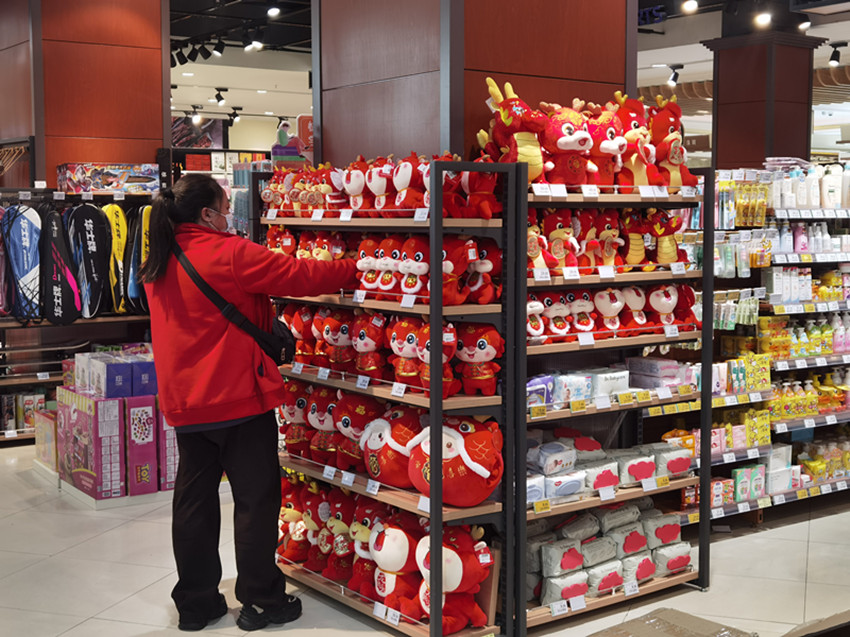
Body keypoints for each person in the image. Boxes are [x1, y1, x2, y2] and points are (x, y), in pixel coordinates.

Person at [140, 174, 358, 632]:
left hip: (186, 402)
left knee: (194, 502)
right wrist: (355, 266)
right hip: (237, 397)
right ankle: (261, 599)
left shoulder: (159, 259)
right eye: (225, 209)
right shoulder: (230, 254)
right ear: (207, 215)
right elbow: (300, 275)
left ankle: (196, 603)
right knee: (255, 500)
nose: (229, 218)